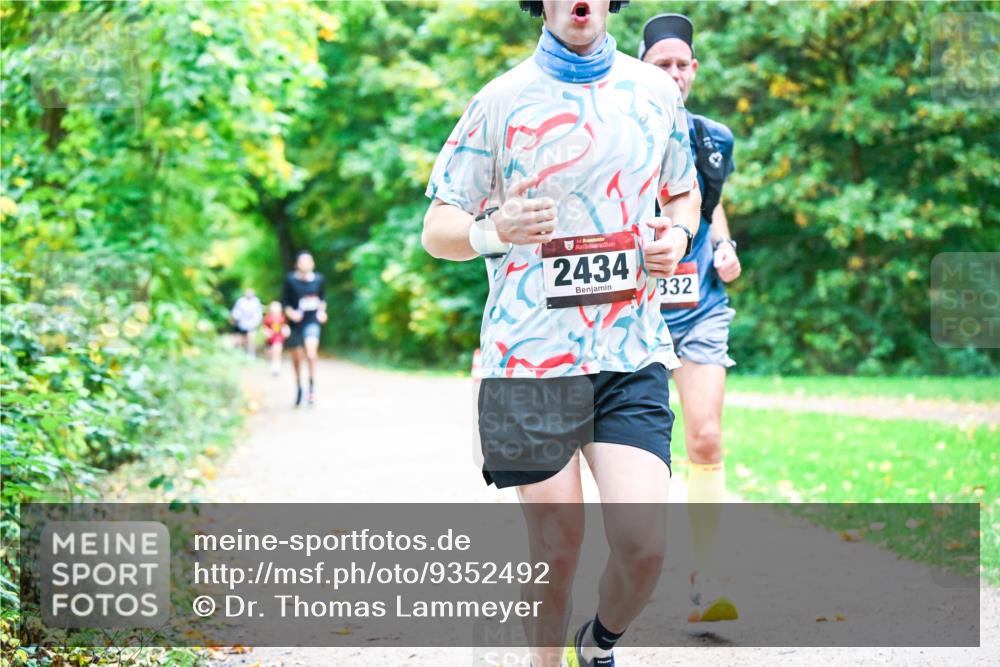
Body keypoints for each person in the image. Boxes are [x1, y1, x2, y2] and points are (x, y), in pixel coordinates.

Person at [422, 2, 700, 665]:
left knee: (644, 546)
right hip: (529, 358)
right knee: (556, 547)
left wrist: (677, 235)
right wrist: (496, 229)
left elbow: (683, 193)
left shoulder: (657, 92)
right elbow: (438, 229)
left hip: (629, 352)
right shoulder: (500, 101)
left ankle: (597, 643)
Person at [638, 13, 742, 623]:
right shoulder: (619, 135)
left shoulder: (715, 139)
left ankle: (707, 581)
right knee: (644, 454)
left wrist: (723, 246)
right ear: (641, 71)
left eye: (682, 65)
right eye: (661, 65)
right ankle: (634, 567)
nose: (673, 74)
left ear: (694, 71)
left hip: (700, 306)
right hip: (636, 313)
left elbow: (707, 207)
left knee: (704, 435)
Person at [281, 251, 327, 406]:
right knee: (297, 358)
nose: (306, 264)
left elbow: (322, 299)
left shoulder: (319, 279)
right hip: (296, 325)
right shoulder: (290, 280)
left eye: (309, 261)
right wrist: (292, 314)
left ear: (312, 264)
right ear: (297, 264)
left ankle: (312, 388)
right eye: (303, 262)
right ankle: (299, 386)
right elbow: (285, 303)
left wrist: (321, 312)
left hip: (312, 321)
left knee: (311, 353)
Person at [230, 288, 263, 356]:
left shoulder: (256, 302)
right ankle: (238, 354)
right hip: (240, 324)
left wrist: (255, 324)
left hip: (251, 325)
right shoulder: (240, 301)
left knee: (251, 339)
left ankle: (250, 354)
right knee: (238, 340)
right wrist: (234, 320)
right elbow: (236, 313)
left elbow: (258, 315)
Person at [262, 300, 289, 375]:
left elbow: (284, 326)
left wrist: (286, 330)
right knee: (270, 353)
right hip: (270, 339)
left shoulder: (282, 318)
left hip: (278, 338)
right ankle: (273, 363)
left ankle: (276, 366)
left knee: (277, 350)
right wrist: (266, 332)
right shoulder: (267, 318)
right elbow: (264, 328)